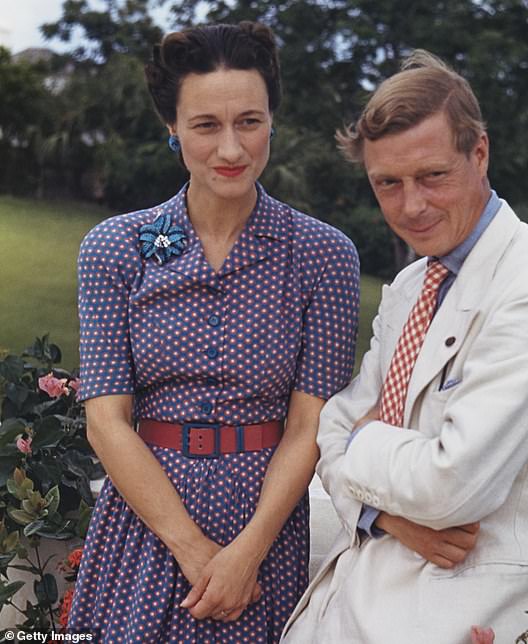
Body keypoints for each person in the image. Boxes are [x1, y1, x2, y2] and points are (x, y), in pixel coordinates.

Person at [281, 50, 528, 644]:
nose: (412, 206)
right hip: (354, 604)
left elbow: (453, 485)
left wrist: (361, 441)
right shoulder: (410, 285)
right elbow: (329, 434)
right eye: (388, 184)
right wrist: (388, 515)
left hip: (462, 617)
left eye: (432, 176)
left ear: (479, 153)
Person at [67, 22, 361, 643]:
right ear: (170, 127)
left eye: (249, 122)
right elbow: (106, 420)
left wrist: (243, 555)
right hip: (144, 523)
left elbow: (310, 427)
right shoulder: (117, 248)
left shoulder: (323, 256)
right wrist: (194, 550)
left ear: (273, 120)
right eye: (206, 126)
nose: (231, 149)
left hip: (261, 531)